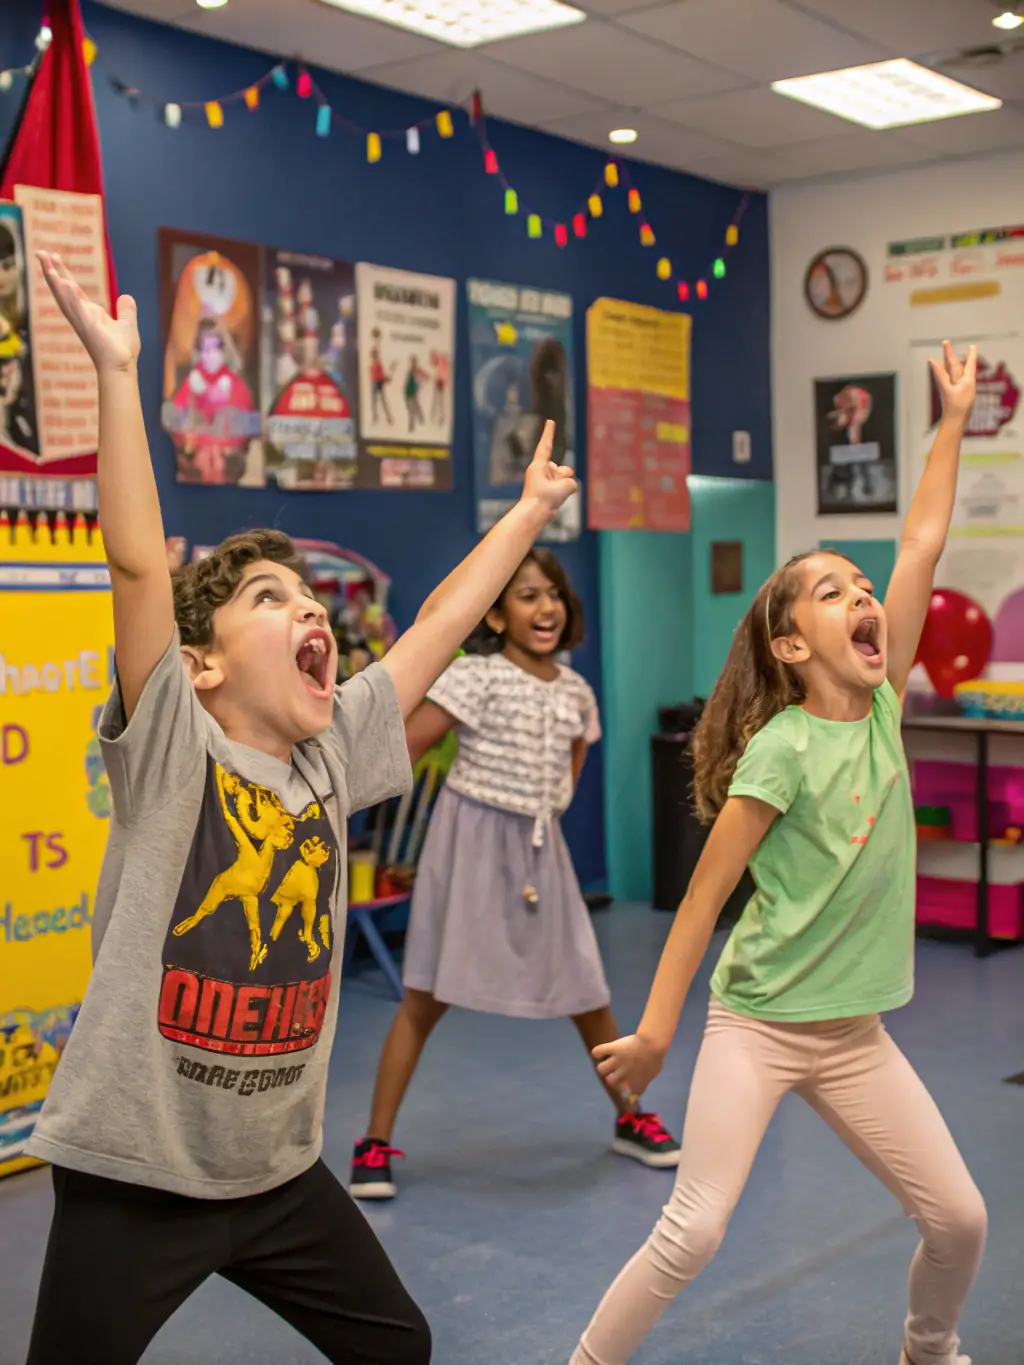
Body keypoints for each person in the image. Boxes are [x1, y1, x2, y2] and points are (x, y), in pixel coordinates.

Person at [23, 251, 578, 1365]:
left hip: (274, 1172)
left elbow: (432, 629)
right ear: (203, 666)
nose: (308, 611)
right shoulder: (174, 743)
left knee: (396, 1347)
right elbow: (137, 566)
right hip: (136, 1172)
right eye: (268, 600)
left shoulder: (334, 755)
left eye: (313, 599)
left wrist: (523, 518)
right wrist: (120, 378)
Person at [570, 340, 985, 1365]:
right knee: (694, 1230)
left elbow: (923, 539)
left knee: (960, 1221)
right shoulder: (781, 749)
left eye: (861, 585)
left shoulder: (883, 707)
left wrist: (950, 423)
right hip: (757, 1026)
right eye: (831, 592)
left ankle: (926, 1349)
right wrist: (658, 1034)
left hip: (853, 1037)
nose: (862, 598)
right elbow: (704, 900)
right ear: (791, 646)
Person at [350, 548, 680, 1201]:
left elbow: (567, 780)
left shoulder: (578, 693)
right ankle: (375, 1140)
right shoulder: (474, 677)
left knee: (588, 989)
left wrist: (539, 822)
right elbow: (402, 749)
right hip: (468, 844)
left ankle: (630, 1113)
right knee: (425, 993)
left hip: (538, 851)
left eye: (552, 593)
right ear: (496, 614)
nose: (545, 607)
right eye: (526, 595)